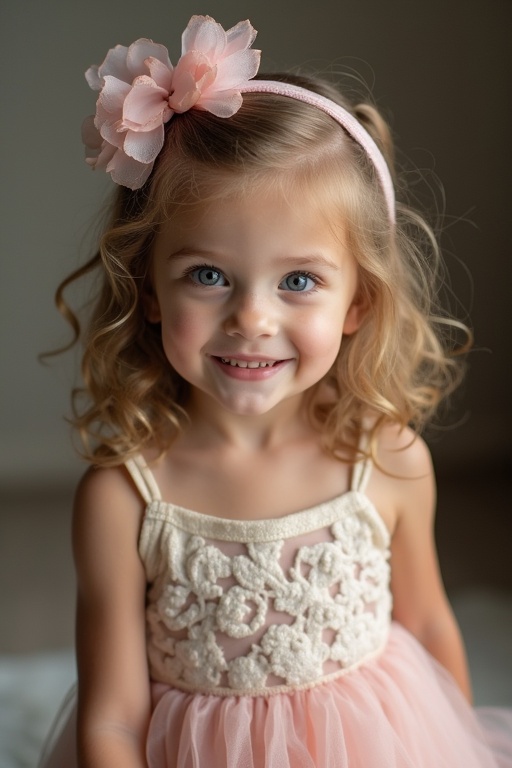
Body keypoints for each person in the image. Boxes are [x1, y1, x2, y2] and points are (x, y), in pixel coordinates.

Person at [39, 14, 512, 768]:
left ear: (358, 302)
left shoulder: (385, 458)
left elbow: (426, 628)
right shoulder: (125, 497)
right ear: (150, 289)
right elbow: (114, 722)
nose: (252, 318)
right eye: (208, 275)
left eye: (299, 281)